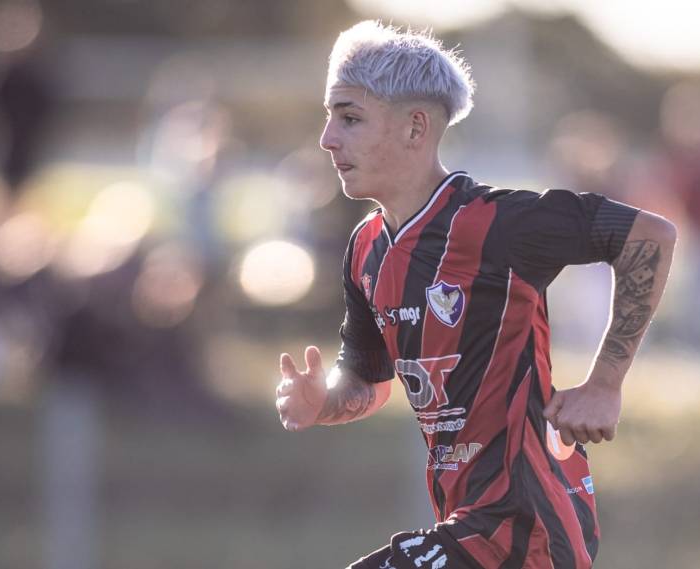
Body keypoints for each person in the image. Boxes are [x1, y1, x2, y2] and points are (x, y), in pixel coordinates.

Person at [275, 21, 677, 569]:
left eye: (349, 118)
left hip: (526, 529)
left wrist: (605, 384)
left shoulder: (500, 224)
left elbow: (651, 236)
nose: (327, 138)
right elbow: (369, 381)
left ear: (415, 127)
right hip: (469, 529)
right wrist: (324, 402)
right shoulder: (366, 249)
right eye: (329, 118)